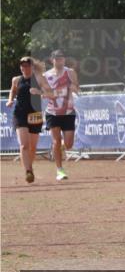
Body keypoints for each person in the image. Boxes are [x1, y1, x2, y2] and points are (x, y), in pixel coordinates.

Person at [7, 57, 53, 183]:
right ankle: (28, 171)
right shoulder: (16, 79)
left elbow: (51, 94)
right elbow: (13, 91)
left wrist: (38, 92)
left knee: (33, 147)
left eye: (27, 65)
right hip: (20, 114)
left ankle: (29, 167)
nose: (24, 68)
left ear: (32, 67)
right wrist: (10, 100)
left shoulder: (39, 78)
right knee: (24, 144)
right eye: (22, 65)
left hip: (35, 115)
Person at [43, 49, 79, 181]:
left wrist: (71, 88)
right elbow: (44, 94)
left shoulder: (70, 72)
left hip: (68, 111)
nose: (60, 60)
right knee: (56, 141)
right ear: (52, 60)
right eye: (57, 58)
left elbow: (77, 87)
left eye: (62, 58)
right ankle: (60, 170)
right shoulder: (46, 75)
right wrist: (52, 93)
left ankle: (59, 148)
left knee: (69, 144)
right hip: (52, 112)